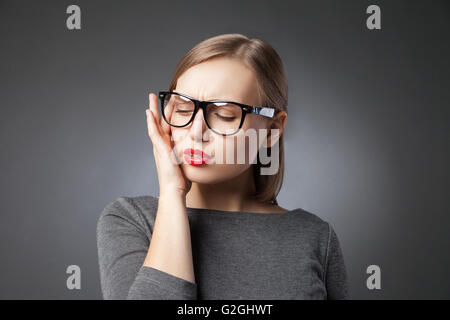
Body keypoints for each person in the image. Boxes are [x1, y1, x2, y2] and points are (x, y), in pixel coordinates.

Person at [96, 33, 349, 299]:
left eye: (225, 115)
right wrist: (172, 193)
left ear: (272, 129)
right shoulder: (130, 220)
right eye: (183, 109)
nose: (196, 131)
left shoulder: (316, 236)